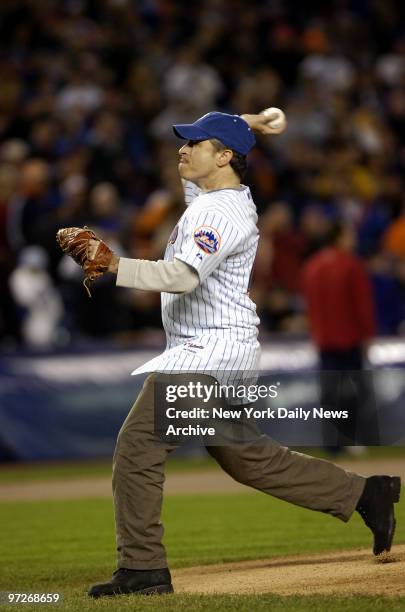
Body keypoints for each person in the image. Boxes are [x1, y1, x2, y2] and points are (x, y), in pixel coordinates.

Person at [76, 112, 400, 598]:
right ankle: (365, 493)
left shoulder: (218, 212)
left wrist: (114, 265)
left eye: (194, 143)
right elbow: (209, 172)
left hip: (206, 355)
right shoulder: (216, 197)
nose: (182, 149)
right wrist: (244, 122)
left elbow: (183, 276)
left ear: (224, 157)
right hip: (223, 352)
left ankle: (143, 568)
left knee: (137, 447)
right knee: (250, 460)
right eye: (182, 142)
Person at [302, 222, 378, 450]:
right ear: (339, 238)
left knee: (330, 393)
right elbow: (362, 305)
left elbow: (310, 305)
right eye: (349, 235)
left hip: (324, 341)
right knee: (353, 393)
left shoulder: (311, 266)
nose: (353, 239)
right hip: (349, 339)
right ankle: (353, 440)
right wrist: (367, 336)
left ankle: (332, 444)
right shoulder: (351, 265)